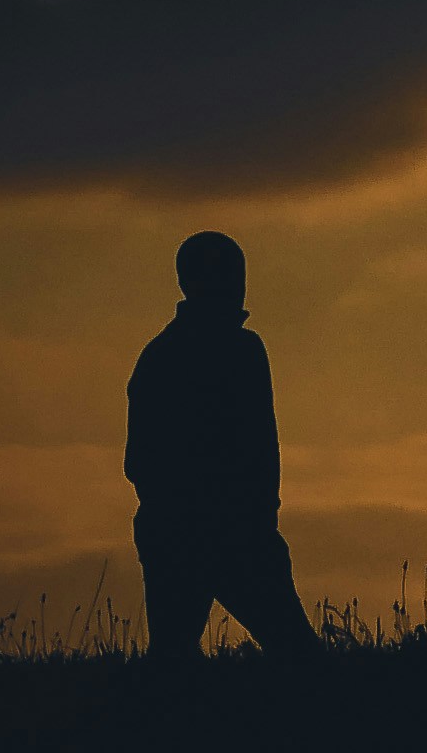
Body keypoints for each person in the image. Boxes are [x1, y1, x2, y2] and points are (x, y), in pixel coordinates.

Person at [128, 230, 318, 663]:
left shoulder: (158, 356)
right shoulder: (240, 351)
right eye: (227, 276)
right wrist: (252, 519)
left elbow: (139, 461)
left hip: (180, 528)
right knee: (301, 658)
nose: (235, 286)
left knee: (171, 663)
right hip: (228, 531)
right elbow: (257, 447)